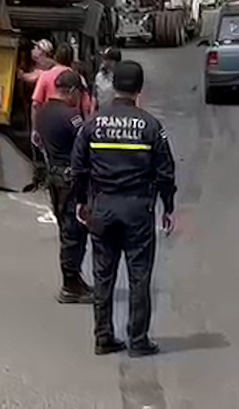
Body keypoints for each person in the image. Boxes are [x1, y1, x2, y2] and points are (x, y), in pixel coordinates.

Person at [70, 60, 177, 357]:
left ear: (114, 85)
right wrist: (168, 206)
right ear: (140, 88)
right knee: (139, 275)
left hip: (101, 208)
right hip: (137, 211)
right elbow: (165, 171)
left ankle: (103, 337)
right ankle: (138, 340)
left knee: (103, 275)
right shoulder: (151, 126)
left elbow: (78, 167)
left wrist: (81, 201)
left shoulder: (93, 124)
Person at [34, 70, 93, 304]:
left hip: (54, 178)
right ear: (71, 91)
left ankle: (75, 279)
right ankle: (70, 285)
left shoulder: (43, 113)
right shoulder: (71, 116)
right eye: (79, 93)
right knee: (74, 232)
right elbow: (85, 146)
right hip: (70, 180)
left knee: (67, 230)